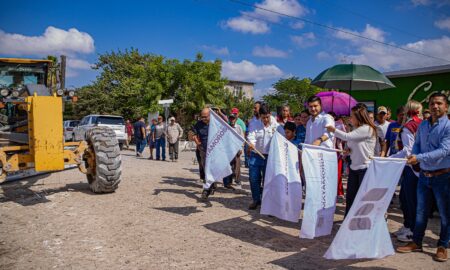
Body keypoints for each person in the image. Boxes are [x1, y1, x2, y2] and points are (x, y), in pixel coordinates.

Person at [397, 93, 450, 263]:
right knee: (420, 212)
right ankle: (417, 241)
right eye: (432, 103)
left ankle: (442, 245)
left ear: (446, 106)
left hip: (443, 176)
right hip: (424, 176)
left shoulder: (448, 126)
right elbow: (417, 144)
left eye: (439, 103)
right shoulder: (424, 125)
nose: (435, 106)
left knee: (445, 213)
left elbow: (444, 151)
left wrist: (418, 158)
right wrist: (414, 154)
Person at [326, 104, 377, 216]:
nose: (350, 118)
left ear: (359, 117)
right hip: (354, 167)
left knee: (363, 199)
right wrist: (349, 149)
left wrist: (333, 129)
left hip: (365, 168)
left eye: (352, 116)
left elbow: (347, 137)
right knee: (351, 198)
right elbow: (352, 142)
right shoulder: (356, 129)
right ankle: (347, 223)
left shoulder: (367, 129)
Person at [390, 101, 422, 243]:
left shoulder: (409, 126)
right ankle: (408, 225)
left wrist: (390, 158)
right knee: (405, 198)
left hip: (412, 167)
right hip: (415, 166)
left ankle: (412, 230)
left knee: (409, 200)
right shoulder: (420, 123)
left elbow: (408, 150)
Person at [247, 104, 279, 210]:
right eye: (263, 117)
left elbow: (281, 137)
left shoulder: (275, 124)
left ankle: (267, 202)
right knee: (254, 178)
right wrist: (251, 143)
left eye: (267, 117)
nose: (265, 119)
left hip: (269, 157)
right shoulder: (253, 123)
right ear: (260, 115)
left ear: (270, 114)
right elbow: (251, 135)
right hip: (256, 155)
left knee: (267, 180)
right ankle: (256, 199)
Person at [192, 108, 214, 199]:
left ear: (210, 115)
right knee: (206, 169)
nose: (203, 118)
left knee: (213, 170)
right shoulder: (198, 124)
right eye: (202, 117)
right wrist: (197, 142)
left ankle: (211, 186)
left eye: (205, 117)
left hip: (215, 151)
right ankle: (206, 189)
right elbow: (193, 133)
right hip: (204, 150)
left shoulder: (215, 123)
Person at [223, 112, 245, 189]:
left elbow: (242, 138)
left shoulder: (238, 127)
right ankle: (227, 182)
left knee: (237, 166)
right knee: (228, 166)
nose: (232, 120)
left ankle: (238, 181)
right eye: (231, 118)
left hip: (236, 149)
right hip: (228, 149)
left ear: (236, 119)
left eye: (233, 118)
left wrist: (240, 148)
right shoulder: (226, 127)